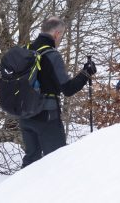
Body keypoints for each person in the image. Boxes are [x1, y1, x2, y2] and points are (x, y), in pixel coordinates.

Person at [19, 16, 96, 168]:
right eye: (62, 35)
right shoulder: (52, 55)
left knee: (30, 162)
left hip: (25, 115)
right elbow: (68, 89)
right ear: (57, 34)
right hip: (47, 117)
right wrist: (86, 73)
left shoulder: (25, 50)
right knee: (57, 162)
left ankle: (21, 191)